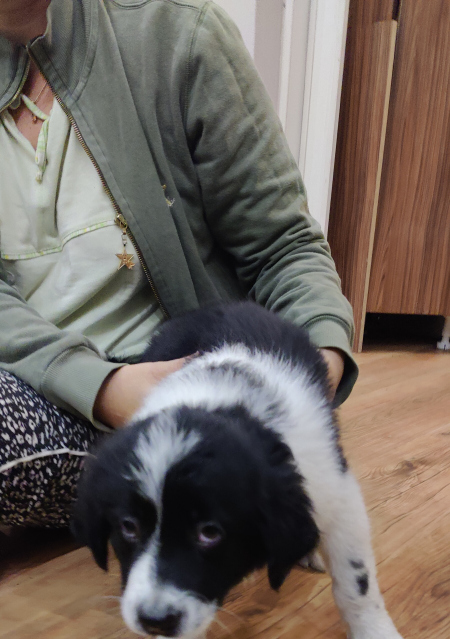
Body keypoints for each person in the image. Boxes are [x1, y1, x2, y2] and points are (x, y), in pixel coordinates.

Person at [0, 0, 357, 527]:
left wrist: (312, 376)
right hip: (36, 383)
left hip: (178, 398)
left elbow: (282, 247)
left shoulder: (181, 37)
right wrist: (103, 389)